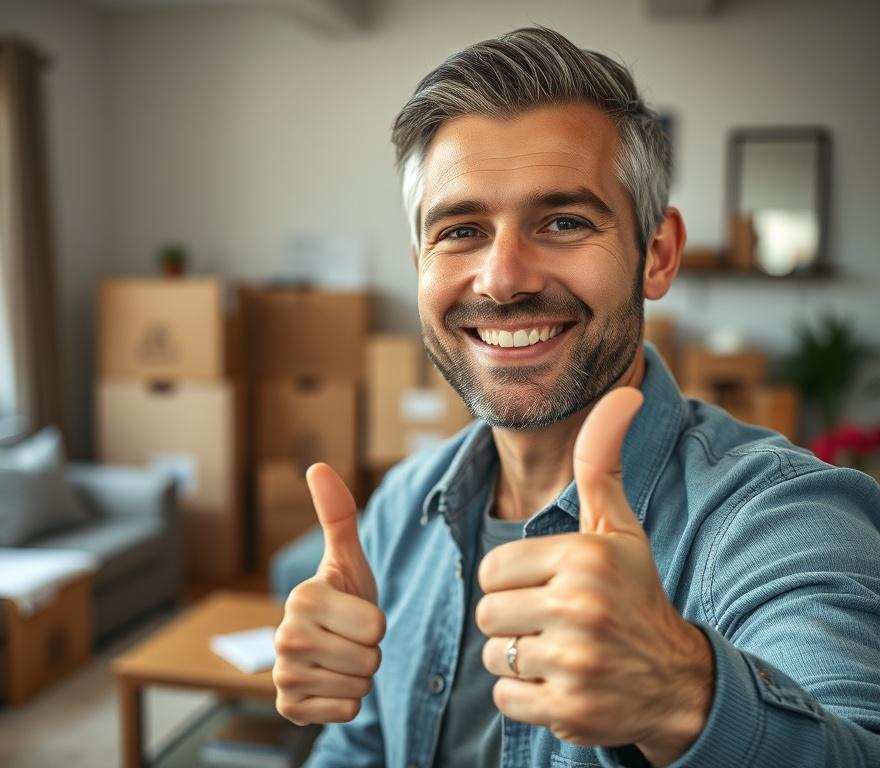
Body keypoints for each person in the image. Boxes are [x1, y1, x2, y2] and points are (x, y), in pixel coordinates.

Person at [272, 25, 880, 767]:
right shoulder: (404, 506)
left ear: (657, 254)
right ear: (420, 263)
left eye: (563, 222)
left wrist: (682, 697)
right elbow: (361, 748)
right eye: (460, 230)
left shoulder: (776, 519)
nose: (502, 279)